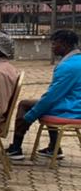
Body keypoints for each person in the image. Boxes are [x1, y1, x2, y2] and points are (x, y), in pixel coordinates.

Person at [7, 29, 81, 161]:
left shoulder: (67, 67)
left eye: (54, 44)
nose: (52, 47)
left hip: (72, 109)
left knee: (26, 105)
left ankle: (16, 148)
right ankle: (54, 147)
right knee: (43, 104)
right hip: (75, 104)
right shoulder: (77, 61)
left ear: (64, 44)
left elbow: (52, 97)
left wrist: (29, 118)